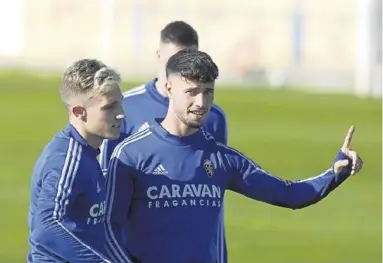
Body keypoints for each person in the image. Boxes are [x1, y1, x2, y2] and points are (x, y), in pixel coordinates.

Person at [104, 49, 363, 263]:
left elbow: (289, 194)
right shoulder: (131, 155)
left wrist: (335, 173)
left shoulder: (222, 159)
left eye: (208, 91)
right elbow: (107, 229)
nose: (201, 102)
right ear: (169, 88)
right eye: (192, 91)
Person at [100, 21, 228, 263]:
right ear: (159, 56)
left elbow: (215, 186)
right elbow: (108, 179)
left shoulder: (214, 116)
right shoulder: (126, 106)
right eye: (174, 59)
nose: (183, 68)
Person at [27, 58, 125, 263]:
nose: (121, 114)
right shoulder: (67, 158)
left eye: (120, 103)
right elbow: (47, 224)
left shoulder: (87, 154)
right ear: (79, 112)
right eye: (110, 107)